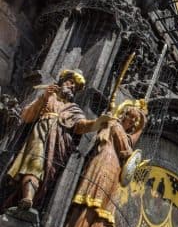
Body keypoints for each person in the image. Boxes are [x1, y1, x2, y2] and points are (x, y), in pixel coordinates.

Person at [58, 99, 147, 227]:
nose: (133, 122)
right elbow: (126, 151)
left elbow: (130, 142)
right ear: (123, 115)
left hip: (114, 168)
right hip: (106, 162)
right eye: (131, 117)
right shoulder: (115, 126)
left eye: (135, 121)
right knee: (93, 201)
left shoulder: (123, 132)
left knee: (101, 208)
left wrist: (142, 125)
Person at [6, 68, 106, 211]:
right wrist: (44, 97)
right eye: (70, 82)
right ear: (61, 82)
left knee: (47, 173)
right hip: (40, 133)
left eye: (75, 87)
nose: (72, 86)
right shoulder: (48, 97)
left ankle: (31, 199)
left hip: (60, 144)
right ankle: (27, 198)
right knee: (35, 163)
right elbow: (26, 116)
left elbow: (81, 126)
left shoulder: (73, 109)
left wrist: (98, 123)